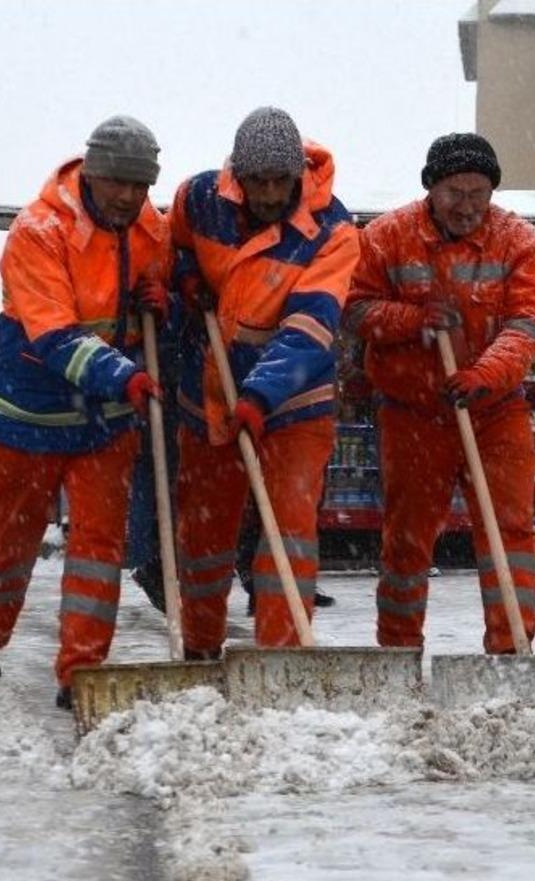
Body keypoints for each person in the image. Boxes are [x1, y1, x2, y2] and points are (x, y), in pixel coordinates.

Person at [0, 115, 170, 708]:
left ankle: (81, 671)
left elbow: (157, 284)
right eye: (118, 185)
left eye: (141, 186)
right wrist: (123, 374)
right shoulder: (37, 231)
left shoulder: (149, 228)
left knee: (99, 550)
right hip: (29, 413)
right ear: (92, 174)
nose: (129, 198)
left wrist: (162, 297)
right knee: (10, 538)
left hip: (104, 420)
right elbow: (53, 335)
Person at [344, 132, 535, 653]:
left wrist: (485, 374)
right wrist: (412, 319)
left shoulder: (520, 243)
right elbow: (355, 308)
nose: (467, 207)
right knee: (407, 540)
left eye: (478, 194)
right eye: (455, 193)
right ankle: (398, 649)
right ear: (431, 189)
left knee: (510, 533)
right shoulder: (385, 237)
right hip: (413, 413)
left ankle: (511, 650)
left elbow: (527, 324)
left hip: (494, 409)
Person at [169, 107, 359, 657]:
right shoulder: (200, 198)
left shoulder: (332, 232)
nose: (271, 193)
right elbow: (174, 240)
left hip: (295, 403)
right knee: (203, 538)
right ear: (238, 174)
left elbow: (310, 325)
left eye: (282, 180)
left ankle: (280, 657)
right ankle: (199, 651)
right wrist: (183, 275)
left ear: (300, 172)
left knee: (288, 533)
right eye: (259, 182)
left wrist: (260, 395)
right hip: (208, 393)